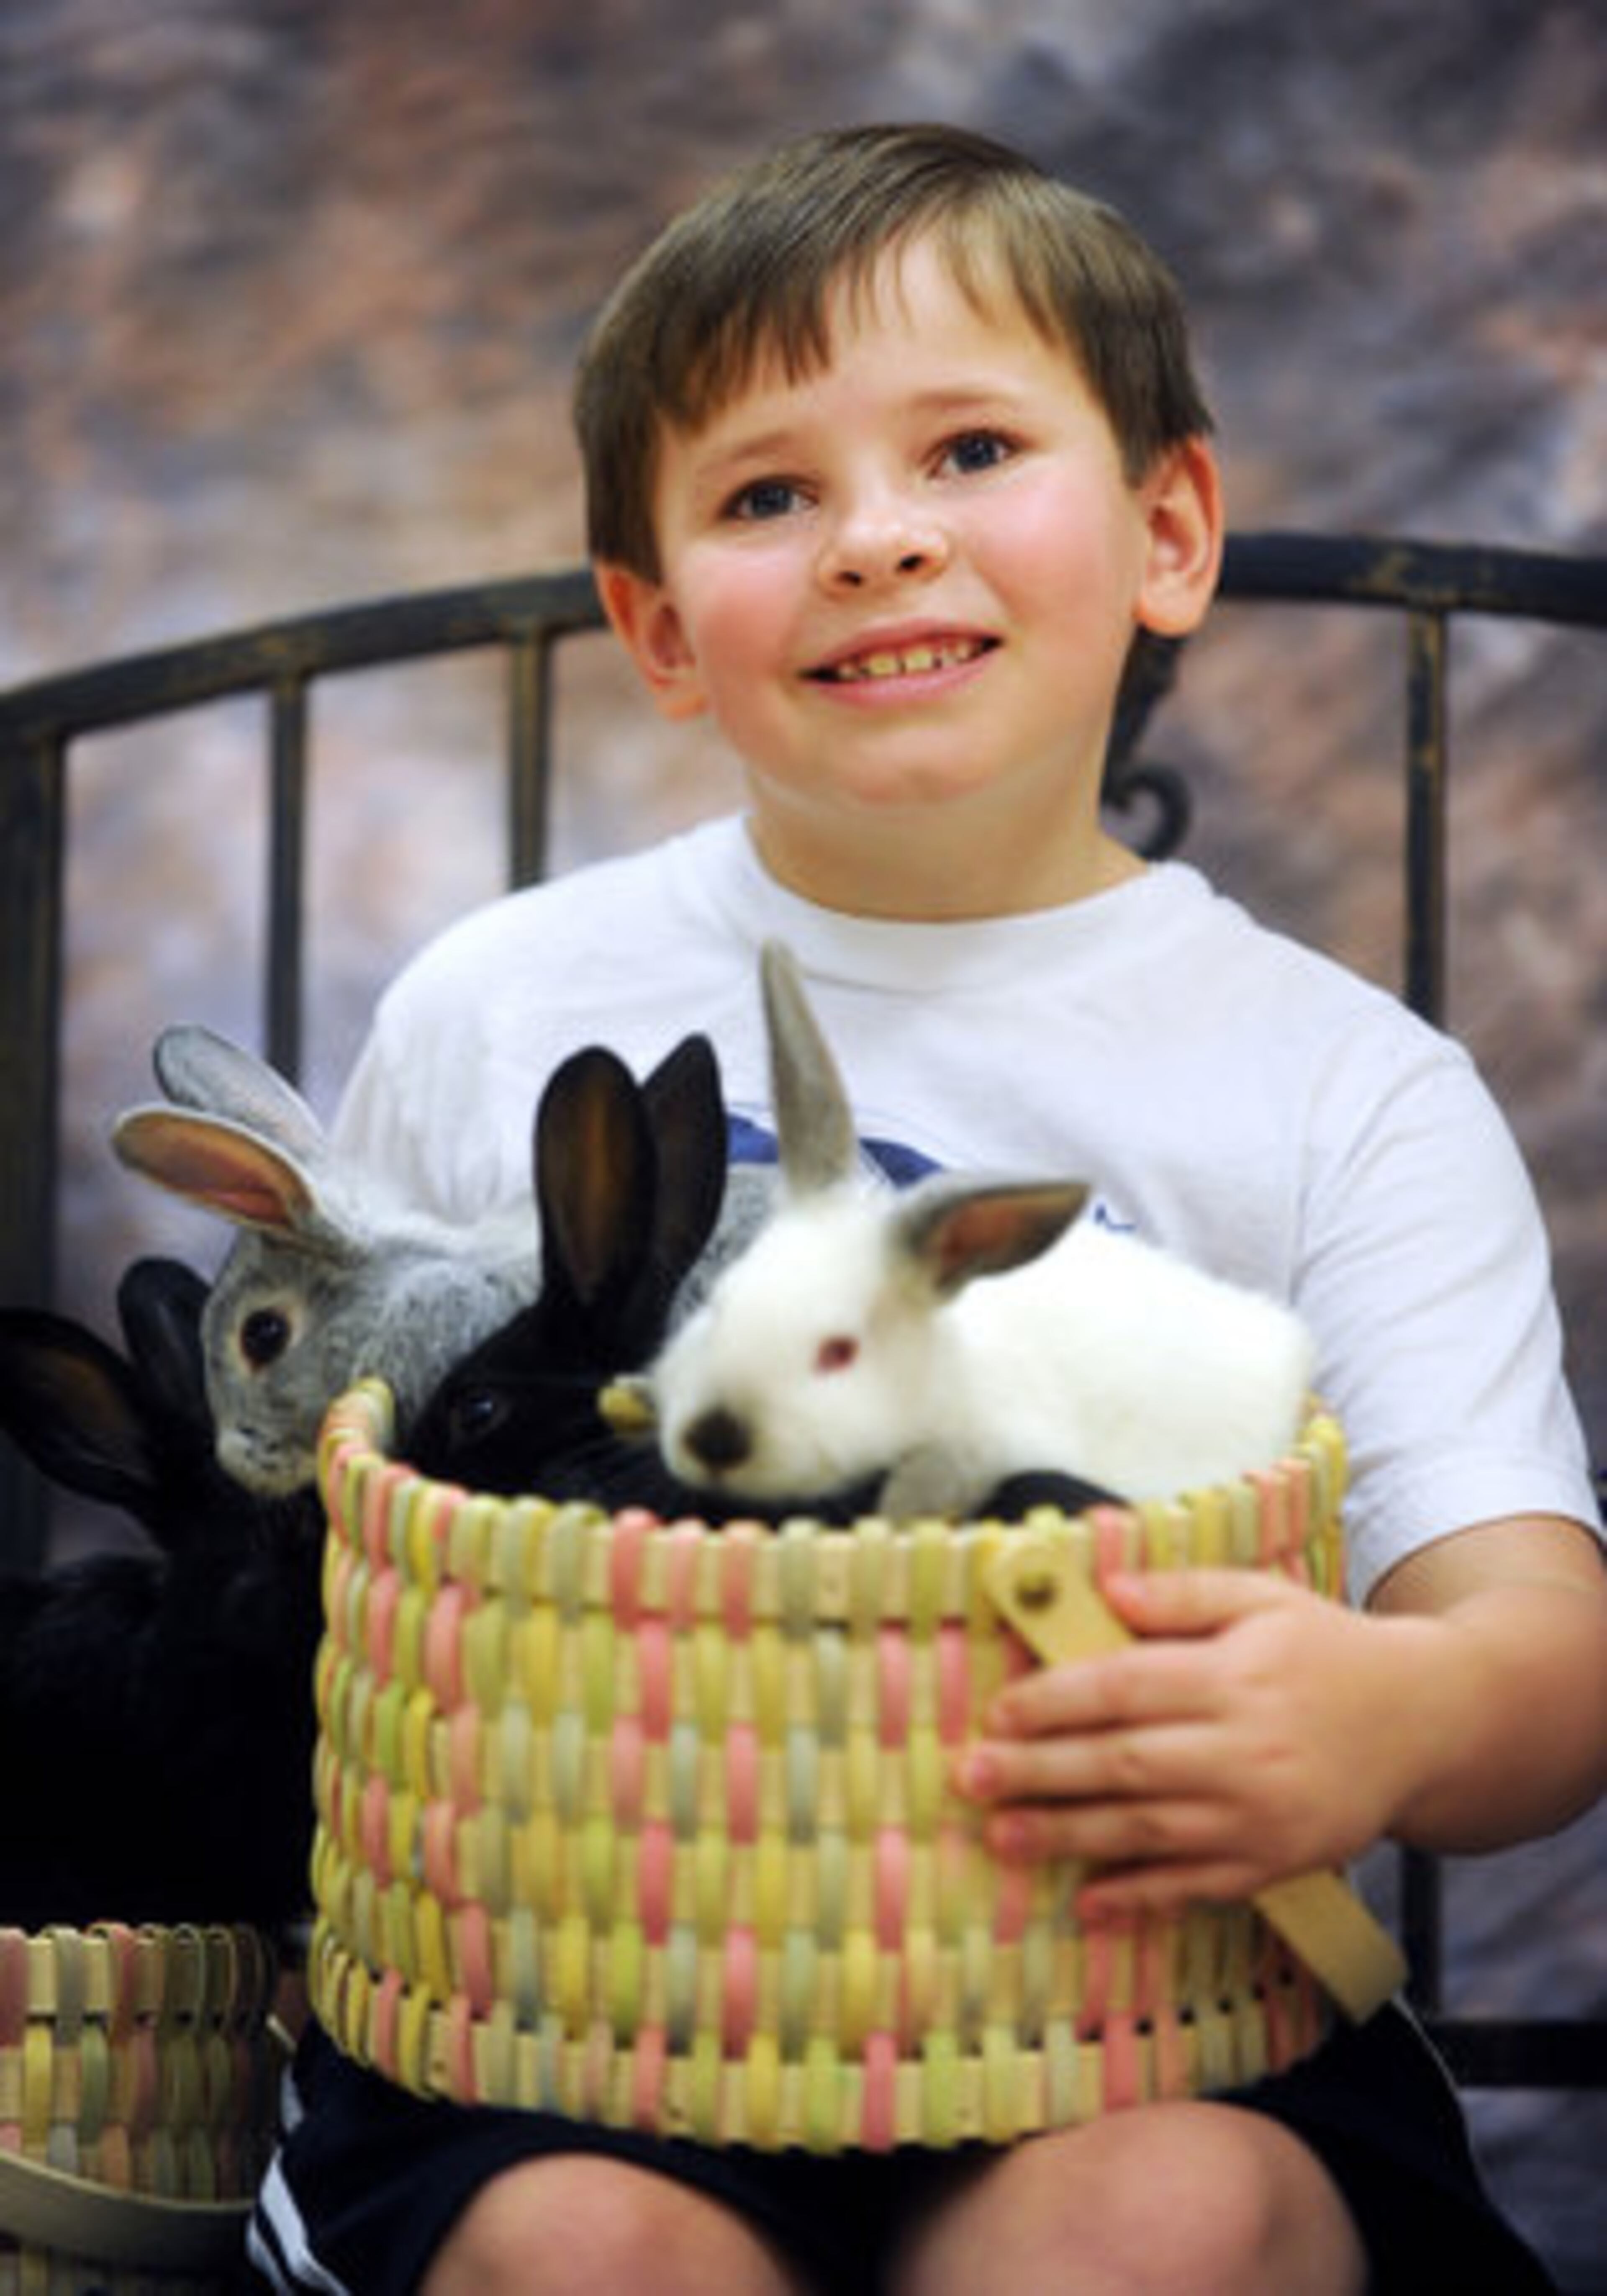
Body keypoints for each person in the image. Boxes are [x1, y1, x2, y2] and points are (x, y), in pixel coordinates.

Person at [247, 122, 1607, 2296]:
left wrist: (1397, 1712)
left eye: (969, 449)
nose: (879, 539)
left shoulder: (1344, 1087)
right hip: (564, 2003)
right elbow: (331, 1557)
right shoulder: (506, 1012)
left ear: (1167, 531)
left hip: (1152, 2001)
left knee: (1153, 2221)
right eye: (770, 494)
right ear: (661, 629)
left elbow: (1544, 1649)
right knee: (590, 2253)